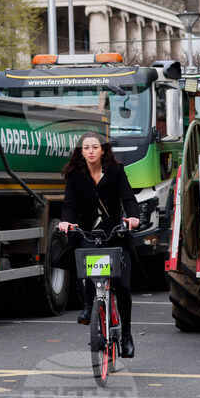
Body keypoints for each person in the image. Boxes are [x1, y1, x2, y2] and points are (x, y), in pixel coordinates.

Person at [58, 133, 140, 358]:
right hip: (88, 231)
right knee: (85, 265)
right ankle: (88, 305)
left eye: (95, 147)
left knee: (122, 285)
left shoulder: (116, 171)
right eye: (86, 148)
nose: (91, 151)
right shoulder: (75, 175)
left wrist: (133, 218)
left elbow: (128, 199)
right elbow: (69, 204)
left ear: (103, 150)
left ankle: (126, 336)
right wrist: (67, 222)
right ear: (81, 152)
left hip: (114, 232)